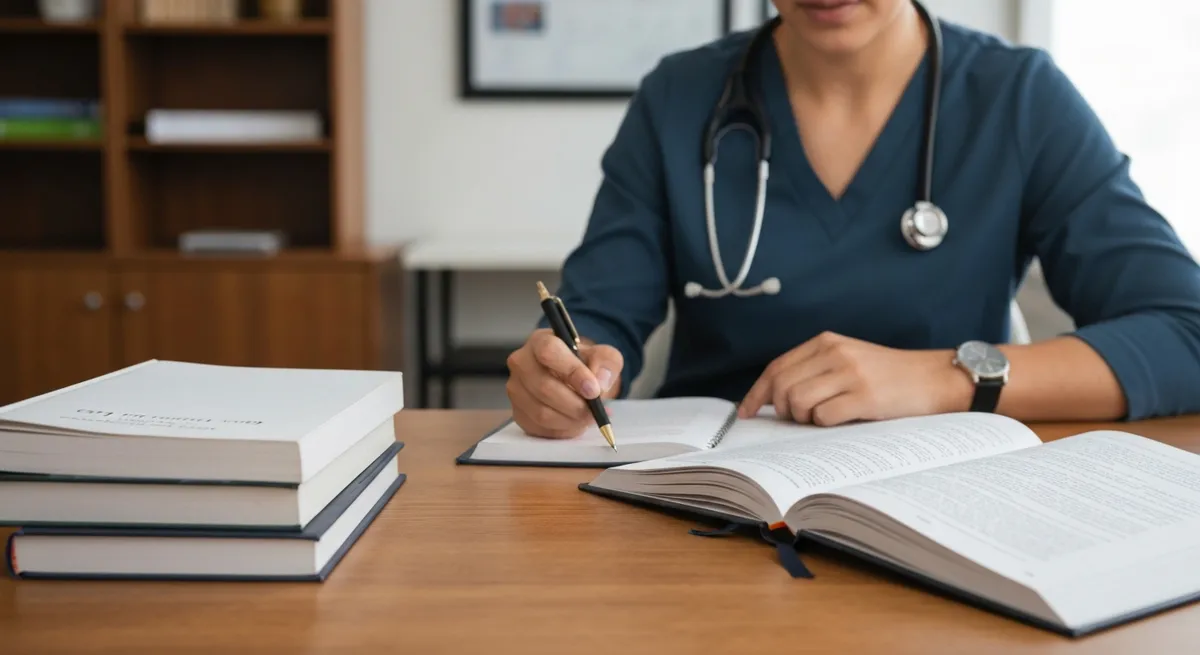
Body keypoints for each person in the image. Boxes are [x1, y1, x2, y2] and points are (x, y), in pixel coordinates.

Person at [504, 0, 1200, 438]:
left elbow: (1185, 333)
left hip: (946, 499)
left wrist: (944, 378)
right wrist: (561, 372)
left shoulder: (1019, 100)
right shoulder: (677, 98)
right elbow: (593, 318)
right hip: (708, 506)